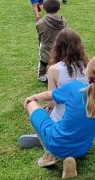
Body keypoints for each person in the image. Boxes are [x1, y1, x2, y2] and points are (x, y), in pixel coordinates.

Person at [34, 28, 91, 167]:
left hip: (62, 120)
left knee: (37, 111)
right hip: (85, 121)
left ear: (57, 46)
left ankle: (49, 152)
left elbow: (52, 103)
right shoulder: (88, 66)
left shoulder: (54, 69)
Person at [36, 0, 67, 83]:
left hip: (46, 54)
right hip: (61, 53)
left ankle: (43, 75)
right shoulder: (63, 21)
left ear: (44, 8)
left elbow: (40, 37)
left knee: (43, 63)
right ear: (59, 8)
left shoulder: (40, 23)